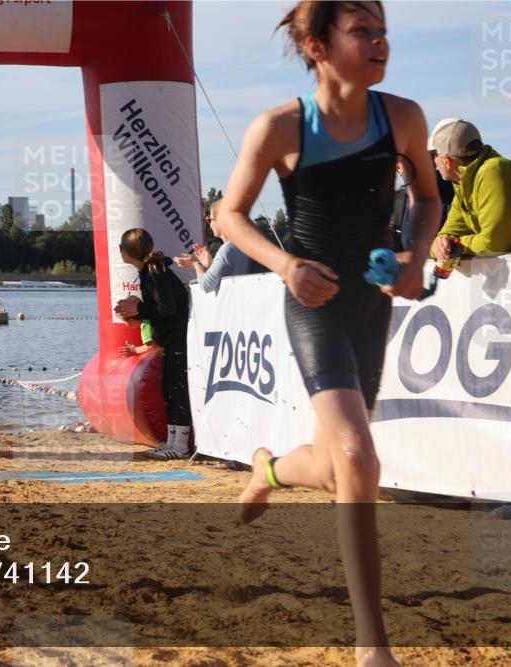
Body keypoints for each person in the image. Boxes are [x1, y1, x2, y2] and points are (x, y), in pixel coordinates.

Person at [217, 3, 442, 665]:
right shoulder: (280, 126)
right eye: (362, 32)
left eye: (383, 30)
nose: (380, 42)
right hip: (312, 301)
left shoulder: (401, 116)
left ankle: (270, 469)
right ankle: (373, 647)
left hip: (372, 305)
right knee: (360, 457)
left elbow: (427, 198)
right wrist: (286, 265)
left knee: (344, 462)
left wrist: (415, 255)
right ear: (317, 46)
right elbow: (227, 216)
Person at [113, 228, 192, 460]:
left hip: (178, 339)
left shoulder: (154, 272)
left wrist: (139, 309)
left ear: (126, 251)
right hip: (170, 340)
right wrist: (135, 313)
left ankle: (181, 446)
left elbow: (167, 309)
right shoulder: (150, 270)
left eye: (121, 247)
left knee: (177, 392)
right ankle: (170, 441)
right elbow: (160, 310)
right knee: (167, 390)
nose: (119, 250)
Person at [428, 118, 511, 260]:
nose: (434, 163)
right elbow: (443, 239)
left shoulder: (494, 172)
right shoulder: (464, 182)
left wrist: (454, 245)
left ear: (446, 161)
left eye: (434, 155)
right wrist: (441, 245)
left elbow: (494, 244)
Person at [175, 197, 265, 292]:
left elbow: (206, 285)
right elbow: (230, 271)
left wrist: (197, 264)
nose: (209, 224)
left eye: (209, 219)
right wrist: (209, 264)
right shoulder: (243, 246)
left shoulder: (226, 250)